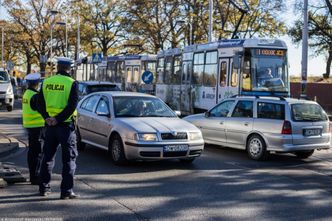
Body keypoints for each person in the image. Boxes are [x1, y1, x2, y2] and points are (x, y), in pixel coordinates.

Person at [37, 57, 79, 199]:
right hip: (65, 126)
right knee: (69, 160)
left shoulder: (46, 82)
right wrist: (58, 119)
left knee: (47, 157)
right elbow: (72, 106)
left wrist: (47, 118)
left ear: (58, 67)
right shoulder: (72, 83)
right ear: (69, 68)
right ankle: (66, 191)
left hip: (49, 126)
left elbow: (39, 103)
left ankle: (44, 188)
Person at [22, 73, 45, 185]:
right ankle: (35, 177)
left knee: (32, 152)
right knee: (37, 153)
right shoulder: (35, 96)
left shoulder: (27, 93)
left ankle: (33, 175)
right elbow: (42, 110)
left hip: (30, 126)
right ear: (37, 83)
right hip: (37, 127)